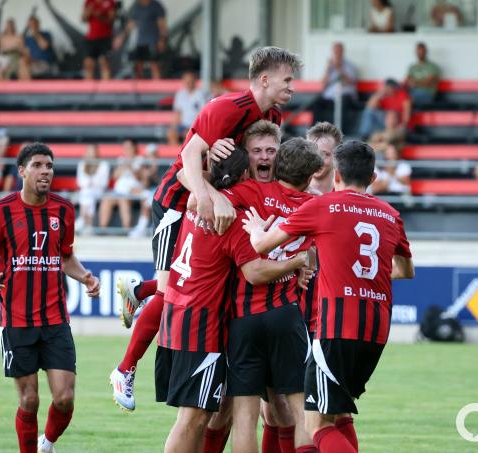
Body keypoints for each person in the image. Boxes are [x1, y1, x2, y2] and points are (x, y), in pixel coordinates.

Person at [109, 47, 301, 414]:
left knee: (199, 284)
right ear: (265, 79)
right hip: (176, 202)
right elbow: (185, 166)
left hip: (210, 204)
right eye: (287, 79)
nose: (293, 86)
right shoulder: (226, 108)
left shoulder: (272, 115)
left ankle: (138, 290)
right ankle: (125, 367)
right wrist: (210, 197)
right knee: (170, 291)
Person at [242, 140, 414, 453]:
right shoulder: (391, 214)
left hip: (337, 327)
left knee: (315, 425)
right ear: (373, 178)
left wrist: (255, 230)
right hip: (377, 330)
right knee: (337, 414)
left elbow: (263, 246)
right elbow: (404, 270)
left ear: (335, 175)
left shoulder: (323, 206)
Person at [0, 142, 101, 453]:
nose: (45, 171)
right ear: (22, 171)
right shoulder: (0, 212)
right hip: (17, 321)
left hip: (55, 320)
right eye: (38, 165)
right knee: (29, 400)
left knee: (65, 398)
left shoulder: (63, 209)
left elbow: (65, 256)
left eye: (50, 166)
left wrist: (85, 277)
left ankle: (47, 443)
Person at [219, 137, 324, 453]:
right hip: (285, 314)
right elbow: (320, 249)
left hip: (243, 317)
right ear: (308, 178)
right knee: (301, 411)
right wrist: (304, 260)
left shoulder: (250, 191)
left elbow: (210, 195)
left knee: (245, 416)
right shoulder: (313, 206)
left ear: (277, 164)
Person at [122, 0, 167, 80]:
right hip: (139, 42)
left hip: (153, 41)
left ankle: (158, 89)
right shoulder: (135, 6)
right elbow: (131, 23)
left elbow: (162, 23)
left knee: (154, 66)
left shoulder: (156, 5)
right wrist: (122, 36)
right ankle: (140, 89)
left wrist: (162, 39)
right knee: (138, 68)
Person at [316, 42, 358, 123]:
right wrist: (327, 69)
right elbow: (323, 83)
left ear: (343, 52)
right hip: (330, 98)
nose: (337, 54)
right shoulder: (329, 67)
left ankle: (339, 132)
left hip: (345, 97)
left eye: (339, 51)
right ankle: (317, 130)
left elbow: (350, 82)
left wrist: (339, 68)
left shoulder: (350, 66)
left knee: (342, 102)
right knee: (317, 103)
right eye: (335, 52)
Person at [75, 144, 111, 232]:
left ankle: (83, 219)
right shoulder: (82, 164)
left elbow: (104, 183)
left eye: (93, 151)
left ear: (97, 152)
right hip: (86, 190)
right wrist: (91, 182)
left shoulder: (104, 164)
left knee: (87, 192)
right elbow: (80, 182)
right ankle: (88, 225)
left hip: (100, 191)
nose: (91, 153)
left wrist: (90, 182)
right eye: (89, 151)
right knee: (87, 192)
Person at [166, 71, 208, 145]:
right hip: (183, 125)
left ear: (194, 81)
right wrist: (173, 126)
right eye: (186, 81)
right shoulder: (180, 94)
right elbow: (178, 112)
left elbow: (203, 114)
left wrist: (195, 127)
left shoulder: (201, 94)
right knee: (171, 134)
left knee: (187, 134)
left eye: (190, 81)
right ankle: (178, 153)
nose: (188, 83)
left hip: (195, 125)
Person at [82, 0, 116, 80]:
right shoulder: (89, 2)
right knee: (88, 64)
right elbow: (83, 19)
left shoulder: (110, 2)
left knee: (104, 63)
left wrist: (100, 16)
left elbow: (112, 20)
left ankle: (107, 90)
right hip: (91, 38)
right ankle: (88, 89)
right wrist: (88, 12)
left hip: (105, 38)